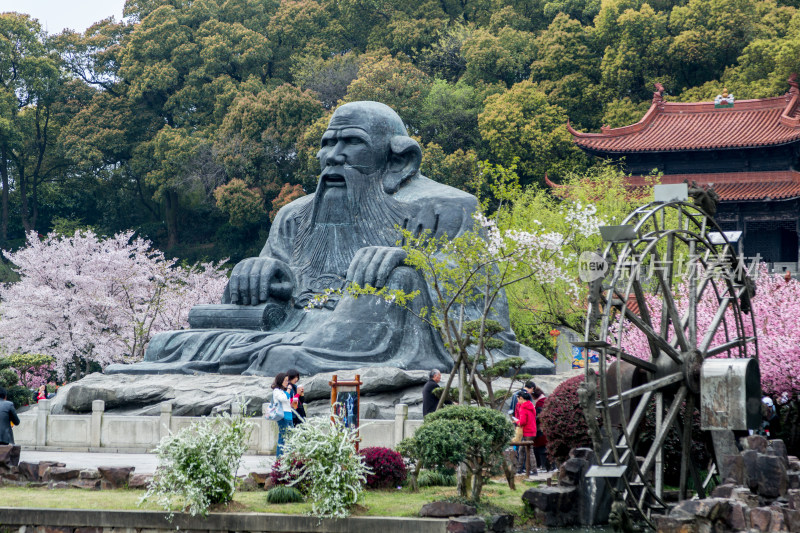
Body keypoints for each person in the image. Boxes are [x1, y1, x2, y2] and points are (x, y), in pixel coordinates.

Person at [107, 101, 548, 378]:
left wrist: (410, 263)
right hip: (291, 329)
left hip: (360, 329)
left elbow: (481, 298)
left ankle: (296, 354)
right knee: (165, 344)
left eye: (351, 144)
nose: (332, 156)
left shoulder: (443, 206)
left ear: (397, 159)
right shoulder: (294, 216)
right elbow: (270, 291)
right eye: (326, 144)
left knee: (394, 289)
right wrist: (259, 273)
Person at [515, 391, 537, 475]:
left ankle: (534, 470)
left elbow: (523, 422)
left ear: (521, 398)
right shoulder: (531, 405)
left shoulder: (523, 407)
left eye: (518, 399)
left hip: (527, 431)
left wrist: (516, 421)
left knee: (529, 450)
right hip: (532, 430)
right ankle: (519, 469)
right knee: (522, 450)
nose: (517, 401)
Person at [271, 373, 294, 458]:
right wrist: (288, 390)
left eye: (287, 380)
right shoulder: (276, 391)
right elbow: (283, 398)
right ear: (280, 381)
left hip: (289, 416)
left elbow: (286, 402)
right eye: (285, 380)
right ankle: (279, 459)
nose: (287, 382)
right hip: (282, 417)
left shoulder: (283, 391)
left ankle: (290, 457)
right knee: (283, 437)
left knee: (291, 437)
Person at [532, 386, 551, 471]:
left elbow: (539, 416)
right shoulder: (546, 400)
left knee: (541, 448)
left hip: (541, 428)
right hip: (547, 427)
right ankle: (548, 467)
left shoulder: (540, 403)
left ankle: (543, 466)